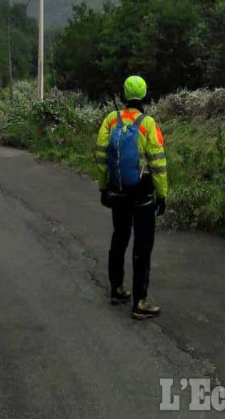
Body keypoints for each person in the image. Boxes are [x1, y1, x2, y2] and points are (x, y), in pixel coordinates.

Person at [95, 75, 168, 320]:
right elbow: (158, 163)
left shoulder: (110, 120)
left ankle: (116, 289)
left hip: (118, 190)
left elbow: (101, 157)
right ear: (145, 96)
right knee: (143, 245)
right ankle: (140, 302)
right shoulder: (148, 123)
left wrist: (104, 188)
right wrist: (162, 194)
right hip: (142, 193)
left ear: (124, 96)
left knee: (120, 237)